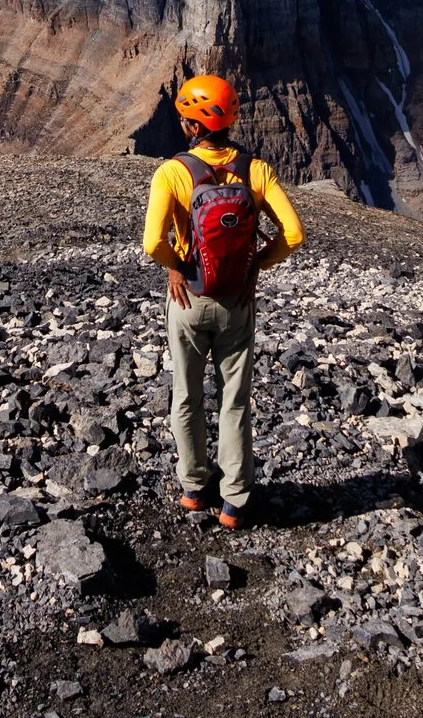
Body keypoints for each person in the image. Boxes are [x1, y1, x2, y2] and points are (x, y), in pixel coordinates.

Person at [140, 73, 306, 530]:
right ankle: (234, 501)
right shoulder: (256, 170)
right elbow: (294, 234)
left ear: (193, 125)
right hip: (237, 301)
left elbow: (152, 241)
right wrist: (256, 267)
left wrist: (176, 266)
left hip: (188, 298)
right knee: (234, 401)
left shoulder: (172, 172)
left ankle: (193, 489)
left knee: (187, 396)